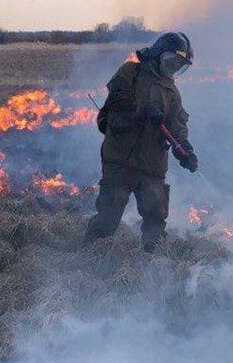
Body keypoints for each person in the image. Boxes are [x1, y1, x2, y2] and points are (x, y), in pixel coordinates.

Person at [83, 32, 199, 252]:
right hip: (120, 159)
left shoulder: (172, 91)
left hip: (152, 165)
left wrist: (185, 150)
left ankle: (152, 263)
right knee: (108, 215)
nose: (173, 68)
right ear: (157, 54)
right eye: (171, 62)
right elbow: (116, 100)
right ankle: (89, 256)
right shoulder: (130, 72)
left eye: (178, 65)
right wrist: (142, 110)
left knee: (155, 218)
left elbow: (177, 126)